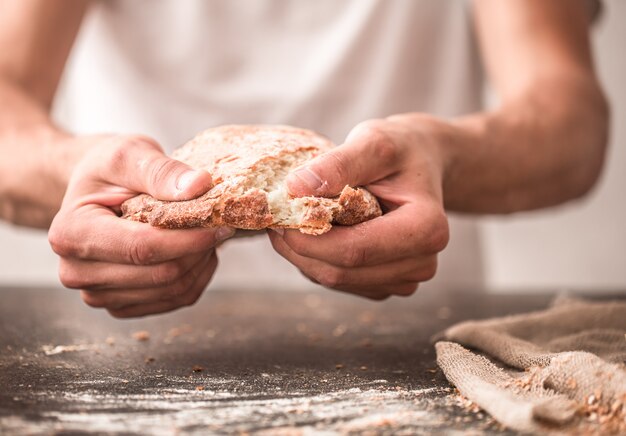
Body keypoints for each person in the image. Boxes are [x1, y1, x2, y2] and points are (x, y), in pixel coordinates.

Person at [0, 0, 608, 317]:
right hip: (119, 345)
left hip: (415, 334)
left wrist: (441, 153)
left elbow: (568, 124)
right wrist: (80, 170)